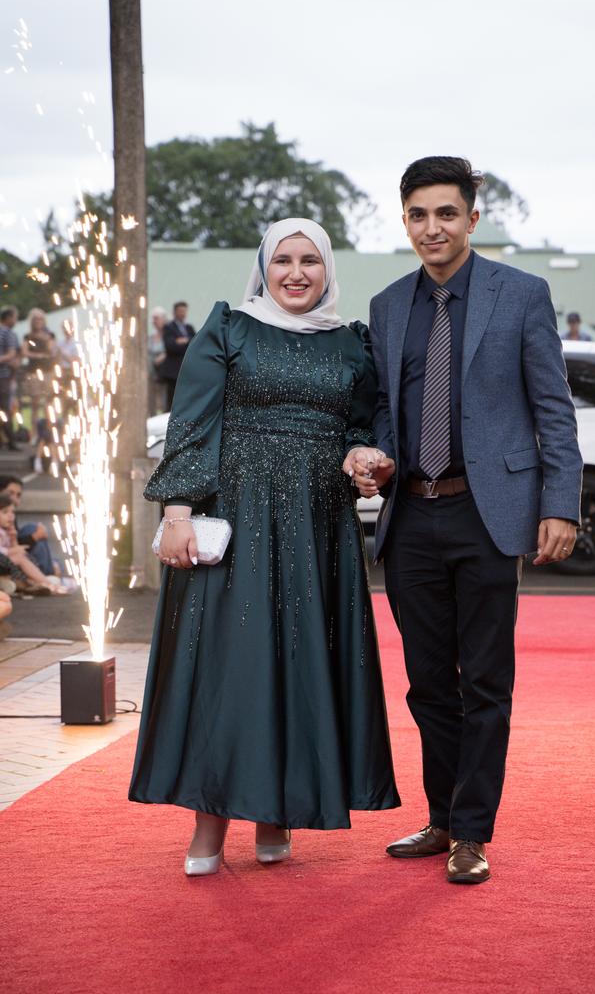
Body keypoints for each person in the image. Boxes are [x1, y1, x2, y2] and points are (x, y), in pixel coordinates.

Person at [129, 218, 400, 876]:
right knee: (230, 668)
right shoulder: (228, 327)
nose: (297, 272)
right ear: (264, 265)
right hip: (238, 517)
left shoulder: (352, 344)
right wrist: (177, 515)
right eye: (284, 259)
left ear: (328, 268)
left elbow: (362, 427)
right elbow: (194, 423)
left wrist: (368, 456)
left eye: (310, 260)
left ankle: (278, 815)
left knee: (299, 662)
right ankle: (208, 827)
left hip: (317, 528)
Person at [345, 156, 582, 884]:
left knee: (484, 681)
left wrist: (560, 503)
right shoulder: (388, 307)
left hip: (490, 515)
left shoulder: (522, 295)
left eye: (446, 213)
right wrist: (377, 453)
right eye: (418, 215)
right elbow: (386, 405)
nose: (432, 228)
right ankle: (443, 817)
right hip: (411, 516)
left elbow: (552, 408)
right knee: (425, 684)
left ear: (472, 218)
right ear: (406, 220)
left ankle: (473, 833)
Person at [0, 494, 67, 594]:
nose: (10, 516)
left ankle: (32, 582)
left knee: (23, 556)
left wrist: (13, 539)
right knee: (20, 558)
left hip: (6, 566)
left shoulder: (6, 530)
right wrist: (10, 551)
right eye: (5, 512)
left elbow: (14, 549)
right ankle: (47, 583)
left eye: (12, 512)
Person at [0, 475, 62, 578]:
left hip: (10, 556)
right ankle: (46, 573)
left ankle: (49, 569)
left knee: (57, 562)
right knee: (32, 529)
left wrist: (15, 537)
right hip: (7, 557)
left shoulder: (10, 515)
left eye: (18, 495)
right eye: (11, 493)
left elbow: (14, 542)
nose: (15, 498)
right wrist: (34, 536)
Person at [21, 308, 57, 443]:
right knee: (34, 404)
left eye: (40, 319)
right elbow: (25, 352)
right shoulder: (28, 336)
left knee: (48, 403)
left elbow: (51, 351)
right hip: (33, 372)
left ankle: (47, 434)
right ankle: (34, 434)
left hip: (47, 372)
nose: (38, 322)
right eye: (35, 319)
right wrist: (39, 355)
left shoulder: (50, 335)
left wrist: (41, 349)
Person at [159, 301, 196, 410]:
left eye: (184, 311)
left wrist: (182, 341)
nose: (183, 314)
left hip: (186, 369)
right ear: (175, 312)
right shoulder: (169, 327)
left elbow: (195, 343)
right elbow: (170, 346)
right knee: (171, 399)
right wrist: (184, 342)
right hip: (173, 371)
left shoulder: (189, 328)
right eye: (180, 311)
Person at [0, 306, 22, 450]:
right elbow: (12, 354)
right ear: (8, 318)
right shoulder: (9, 333)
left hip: (4, 377)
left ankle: (6, 441)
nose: (16, 320)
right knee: (5, 409)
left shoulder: (8, 334)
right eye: (14, 317)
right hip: (3, 377)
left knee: (5, 409)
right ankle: (10, 442)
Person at [148, 307, 169, 416]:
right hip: (152, 374)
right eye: (153, 319)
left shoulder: (169, 335)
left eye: (156, 318)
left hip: (165, 374)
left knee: (164, 400)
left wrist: (163, 356)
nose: (154, 321)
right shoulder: (151, 338)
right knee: (153, 401)